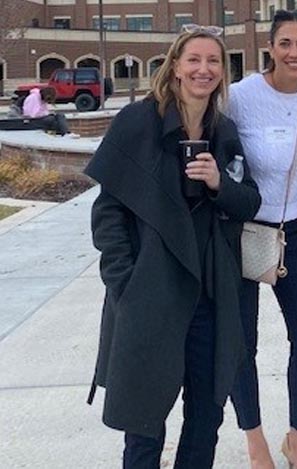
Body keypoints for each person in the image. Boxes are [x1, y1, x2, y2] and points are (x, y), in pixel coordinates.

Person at [84, 24, 261, 469]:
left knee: (205, 418)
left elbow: (249, 201)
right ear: (176, 67)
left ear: (223, 71)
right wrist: (124, 283)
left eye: (213, 61)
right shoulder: (138, 123)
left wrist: (220, 183)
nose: (204, 69)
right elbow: (108, 214)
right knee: (144, 423)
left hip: (209, 296)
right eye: (194, 60)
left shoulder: (225, 131)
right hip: (152, 293)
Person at [226, 10, 297, 469]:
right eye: (284, 43)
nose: (294, 52)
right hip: (242, 231)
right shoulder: (240, 97)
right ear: (270, 47)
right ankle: (255, 441)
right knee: (239, 340)